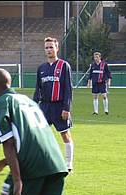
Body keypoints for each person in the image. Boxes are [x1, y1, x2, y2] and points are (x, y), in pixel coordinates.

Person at [33, 37, 75, 172]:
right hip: (44, 107)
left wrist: (66, 108)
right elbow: (37, 89)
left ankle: (68, 164)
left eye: (51, 47)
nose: (49, 50)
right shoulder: (41, 68)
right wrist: (33, 107)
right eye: (46, 48)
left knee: (65, 134)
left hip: (59, 106)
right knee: (39, 135)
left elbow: (68, 88)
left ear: (57, 48)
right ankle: (44, 162)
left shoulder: (64, 66)